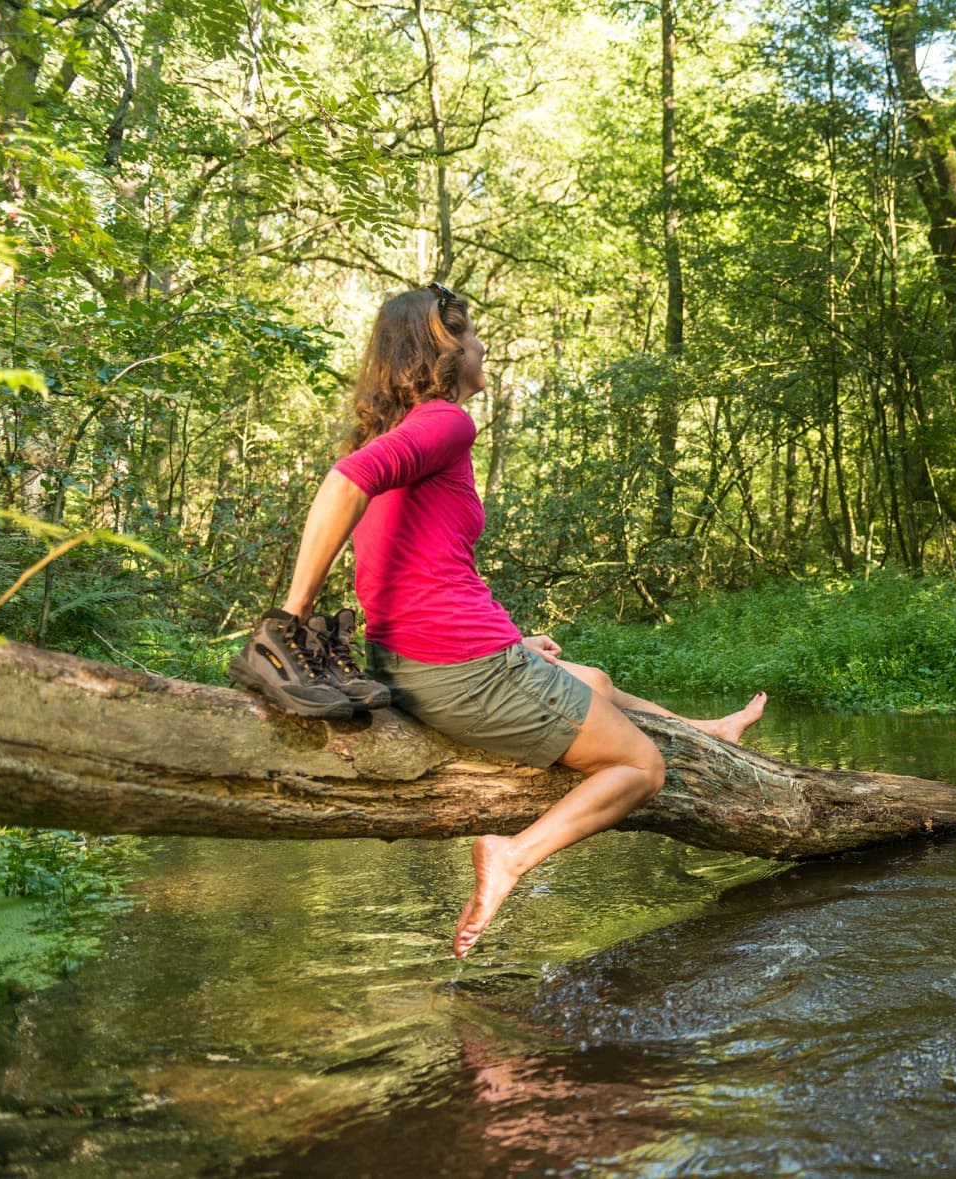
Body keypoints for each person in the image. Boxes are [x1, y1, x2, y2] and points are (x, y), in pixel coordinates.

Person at [227, 282, 766, 958]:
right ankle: (511, 856)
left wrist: (511, 639)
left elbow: (429, 568)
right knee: (641, 766)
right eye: (475, 333)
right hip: (458, 668)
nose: (485, 346)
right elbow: (343, 482)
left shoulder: (409, 430)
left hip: (422, 656)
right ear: (448, 347)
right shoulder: (447, 420)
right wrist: (290, 617)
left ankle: (711, 730)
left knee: (592, 677)